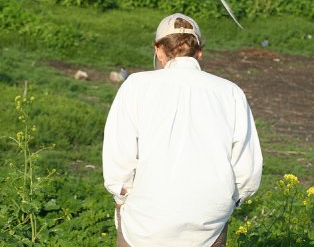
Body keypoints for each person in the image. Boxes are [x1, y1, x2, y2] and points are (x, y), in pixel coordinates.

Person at [102, 13, 263, 247]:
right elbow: (247, 171)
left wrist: (122, 196)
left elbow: (119, 159)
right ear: (199, 53)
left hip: (145, 222)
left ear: (158, 50)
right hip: (209, 223)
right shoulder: (230, 92)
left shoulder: (135, 86)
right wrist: (229, 203)